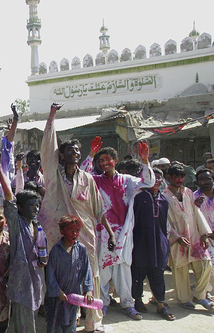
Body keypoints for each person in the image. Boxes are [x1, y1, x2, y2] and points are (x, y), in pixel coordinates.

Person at [37, 103, 115, 332]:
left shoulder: (88, 179)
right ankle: (58, 321)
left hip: (85, 236)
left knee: (91, 275)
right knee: (55, 277)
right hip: (56, 236)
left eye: (78, 151)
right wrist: (52, 116)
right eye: (70, 150)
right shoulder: (52, 174)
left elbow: (99, 209)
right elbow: (47, 146)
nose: (75, 154)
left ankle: (93, 322)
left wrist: (110, 234)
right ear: (61, 154)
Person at [92, 144, 155, 320]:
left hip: (124, 232)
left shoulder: (127, 180)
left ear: (116, 161)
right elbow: (81, 177)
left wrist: (145, 161)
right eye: (101, 160)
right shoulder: (96, 180)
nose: (104, 163)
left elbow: (149, 182)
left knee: (124, 268)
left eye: (108, 159)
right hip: (103, 230)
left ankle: (127, 304)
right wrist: (90, 155)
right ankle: (102, 304)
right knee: (103, 269)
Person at [0, 160, 45, 332]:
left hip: (35, 280)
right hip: (21, 281)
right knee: (22, 321)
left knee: (30, 318)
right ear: (21, 208)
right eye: (31, 206)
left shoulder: (38, 225)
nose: (35, 209)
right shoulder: (18, 224)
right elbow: (9, 199)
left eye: (37, 205)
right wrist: (0, 171)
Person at [162, 164, 214, 312]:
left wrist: (204, 234)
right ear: (169, 178)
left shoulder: (188, 192)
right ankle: (184, 299)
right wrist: (175, 237)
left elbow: (196, 213)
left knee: (206, 264)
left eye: (182, 177)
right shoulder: (164, 196)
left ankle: (199, 294)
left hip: (194, 237)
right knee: (181, 271)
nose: (179, 179)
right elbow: (165, 221)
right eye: (176, 177)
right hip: (178, 239)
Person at [131, 168, 175, 320]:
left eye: (158, 178)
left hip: (159, 241)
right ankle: (137, 299)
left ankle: (161, 303)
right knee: (138, 271)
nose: (155, 181)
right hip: (141, 241)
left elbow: (165, 225)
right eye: (152, 178)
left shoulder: (164, 200)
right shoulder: (138, 197)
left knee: (158, 272)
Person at [45, 215, 94, 333]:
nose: (74, 234)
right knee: (55, 327)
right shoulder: (56, 251)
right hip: (57, 299)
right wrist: (58, 291)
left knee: (70, 326)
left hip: (73, 298)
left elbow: (87, 270)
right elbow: (50, 274)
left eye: (77, 231)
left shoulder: (81, 249)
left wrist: (88, 290)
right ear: (62, 231)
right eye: (71, 230)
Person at [193, 168, 214, 301]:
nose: (205, 182)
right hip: (203, 238)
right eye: (202, 180)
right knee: (208, 265)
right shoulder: (194, 197)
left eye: (208, 179)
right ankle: (205, 293)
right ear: (197, 182)